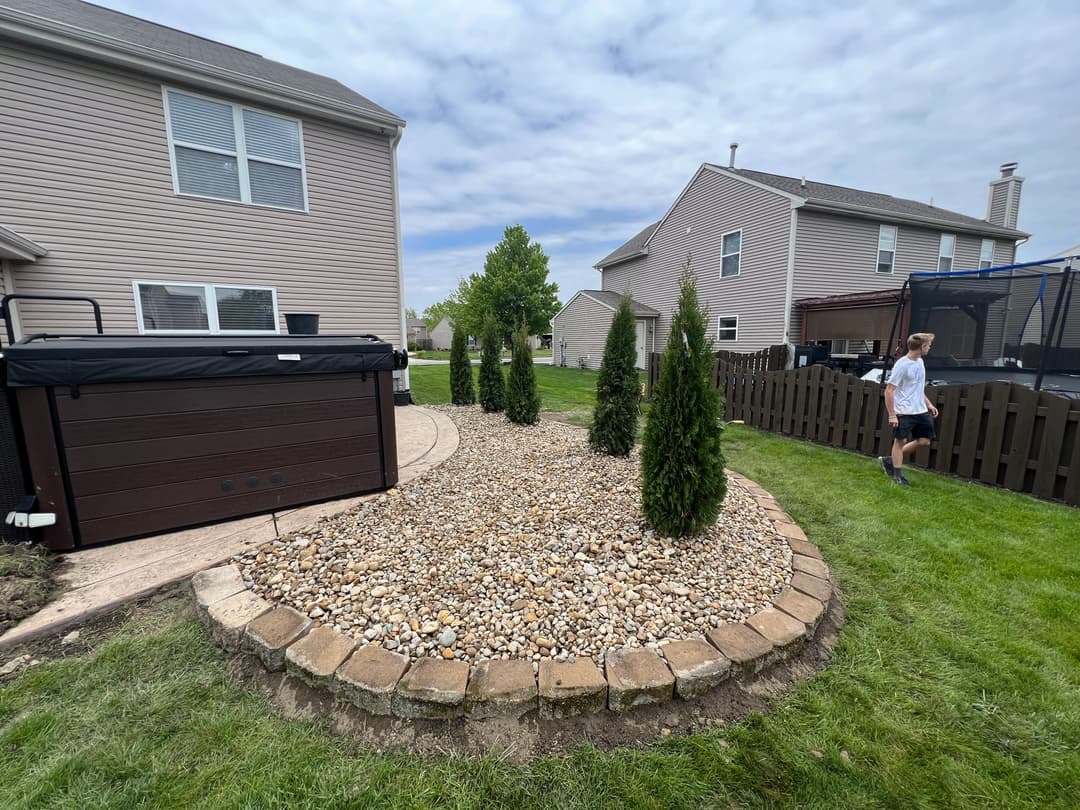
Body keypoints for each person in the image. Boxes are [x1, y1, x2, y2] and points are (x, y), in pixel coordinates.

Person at [878, 333, 939, 486]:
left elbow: (917, 387)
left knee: (924, 441)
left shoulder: (920, 362)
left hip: (920, 410)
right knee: (900, 441)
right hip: (904, 411)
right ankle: (897, 476)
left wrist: (929, 404)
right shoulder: (902, 365)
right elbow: (889, 390)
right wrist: (892, 415)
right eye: (928, 345)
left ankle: (889, 460)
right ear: (922, 347)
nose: (930, 348)